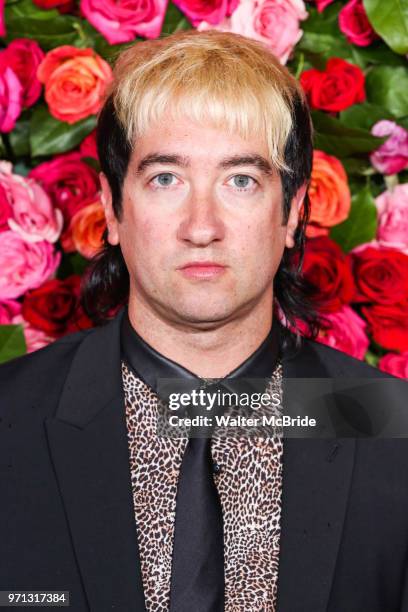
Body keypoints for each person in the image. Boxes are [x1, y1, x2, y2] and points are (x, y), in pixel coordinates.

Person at [1, 29, 408, 612]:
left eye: (240, 180)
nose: (201, 226)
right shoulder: (9, 421)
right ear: (112, 208)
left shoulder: (395, 433)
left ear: (292, 213)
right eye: (165, 178)